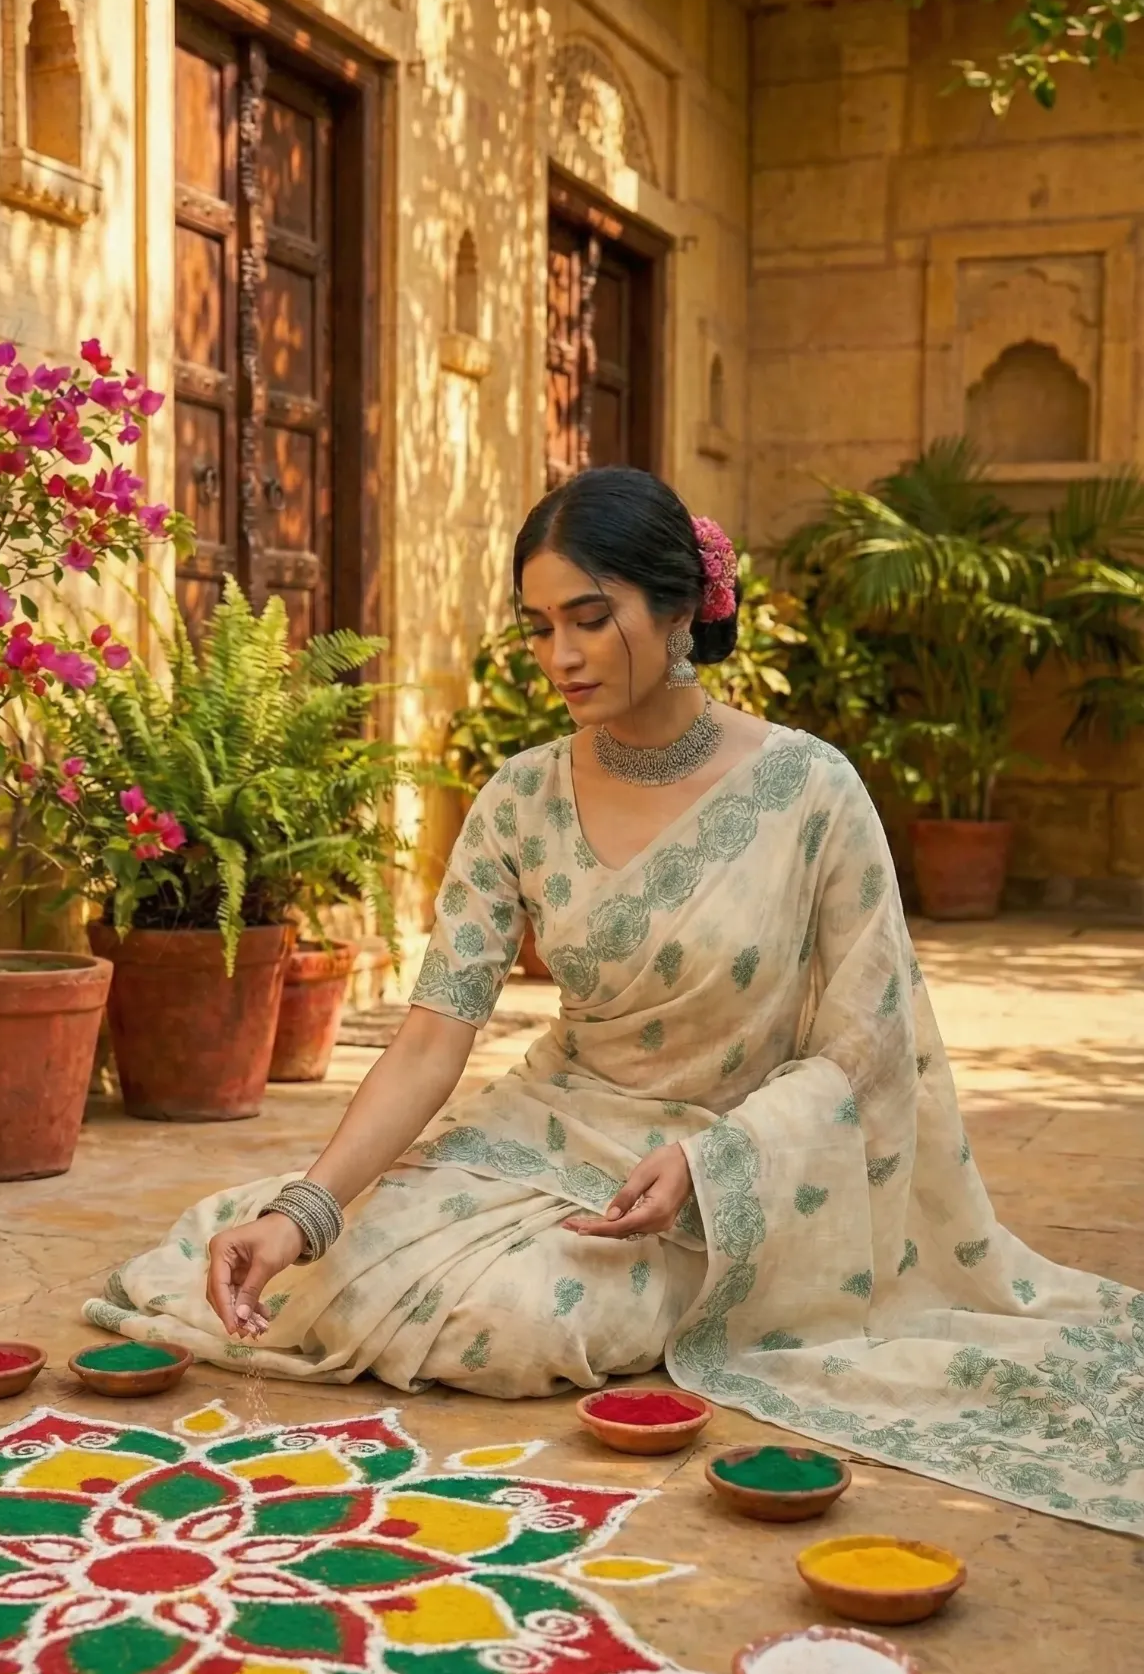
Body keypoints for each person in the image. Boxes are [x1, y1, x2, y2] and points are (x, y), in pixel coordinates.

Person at [88, 466, 1144, 1537]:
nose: (561, 656)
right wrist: (304, 1212)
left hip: (717, 1172)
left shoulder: (810, 791)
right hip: (545, 1129)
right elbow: (432, 1037)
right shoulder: (520, 799)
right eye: (540, 627)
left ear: (680, 608)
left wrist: (711, 1163)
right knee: (325, 1274)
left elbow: (867, 1048)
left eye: (590, 619)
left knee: (511, 1323)